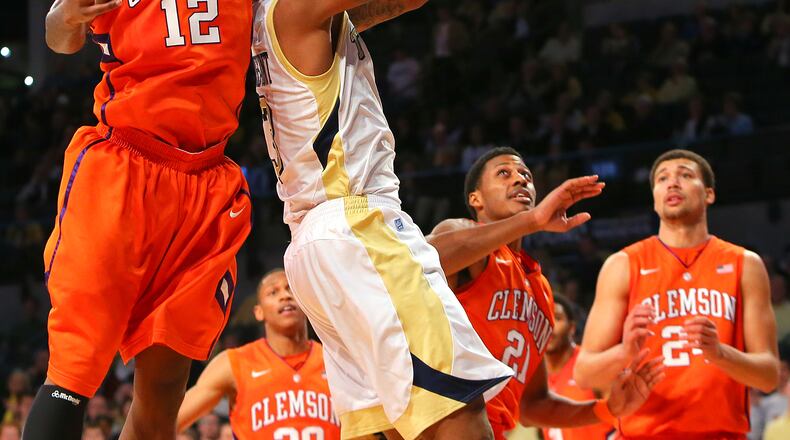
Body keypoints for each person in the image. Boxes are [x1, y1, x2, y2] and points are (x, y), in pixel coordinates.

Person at [252, 1, 515, 438]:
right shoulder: (296, 6)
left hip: (315, 246)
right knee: (458, 415)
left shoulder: (280, 18)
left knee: (401, 429)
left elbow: (375, 10)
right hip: (358, 226)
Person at [26, 1, 253, 439]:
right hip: (124, 164)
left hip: (208, 179)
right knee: (75, 369)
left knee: (166, 383)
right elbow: (59, 34)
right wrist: (66, 18)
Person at [427, 147, 663, 439]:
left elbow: (532, 405)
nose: (520, 180)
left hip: (490, 429)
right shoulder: (460, 231)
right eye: (504, 173)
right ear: (476, 199)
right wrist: (533, 220)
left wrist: (605, 409)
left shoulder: (542, 292)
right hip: (441, 419)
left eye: (526, 175)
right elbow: (423, 260)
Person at [575, 149, 780, 438]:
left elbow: (769, 376)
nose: (672, 183)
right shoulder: (622, 265)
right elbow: (584, 373)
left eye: (685, 175)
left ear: (708, 194)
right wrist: (625, 352)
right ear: (655, 199)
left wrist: (720, 353)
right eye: (662, 178)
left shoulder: (744, 264)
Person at [177, 270, 340, 439]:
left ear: (306, 301)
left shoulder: (336, 361)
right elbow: (172, 421)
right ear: (258, 312)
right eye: (273, 292)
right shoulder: (233, 363)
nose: (285, 296)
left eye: (290, 289)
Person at [543, 295, 612, 440]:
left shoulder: (590, 364)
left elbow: (623, 416)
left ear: (572, 328)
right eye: (543, 318)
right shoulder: (534, 375)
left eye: (557, 318)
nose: (549, 325)